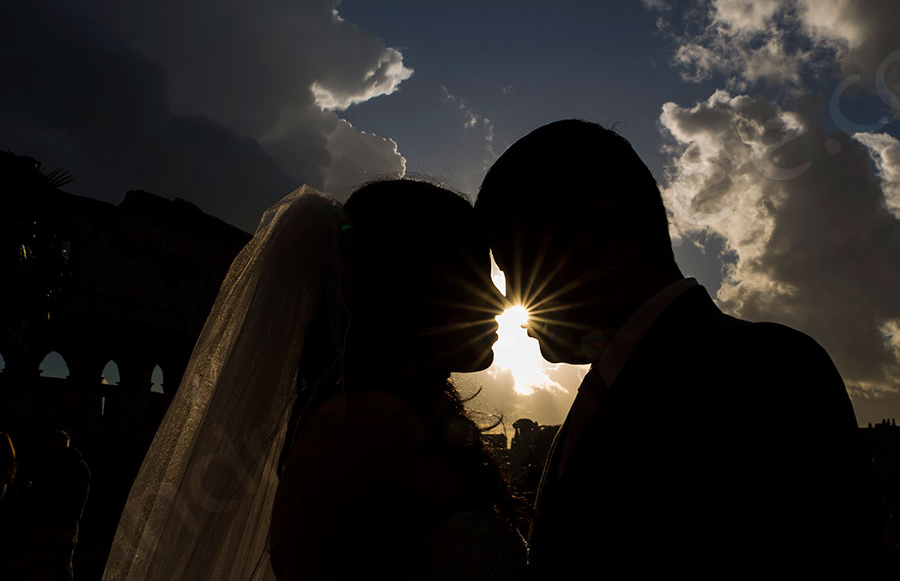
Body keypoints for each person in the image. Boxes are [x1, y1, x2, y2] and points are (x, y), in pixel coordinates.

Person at [474, 119, 884, 577]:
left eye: (515, 265)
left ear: (599, 231)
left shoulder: (766, 372)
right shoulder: (608, 389)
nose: (510, 296)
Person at [103, 180, 525, 581]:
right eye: (475, 278)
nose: (500, 299)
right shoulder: (367, 424)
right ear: (417, 287)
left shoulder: (388, 415)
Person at [27, 430, 91, 581]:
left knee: (42, 567)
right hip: (66, 524)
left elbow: (40, 493)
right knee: (63, 567)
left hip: (46, 523)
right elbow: (81, 495)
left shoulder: (45, 464)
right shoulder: (79, 466)